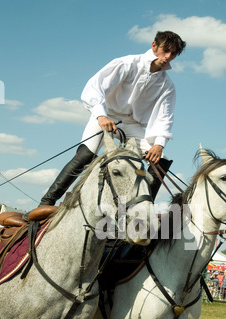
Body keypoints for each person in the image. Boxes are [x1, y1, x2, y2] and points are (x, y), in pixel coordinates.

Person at [39, 31, 186, 207]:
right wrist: (101, 115)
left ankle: (140, 208)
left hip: (131, 124)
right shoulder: (127, 63)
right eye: (165, 50)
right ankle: (46, 203)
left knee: (160, 161)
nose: (168, 57)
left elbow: (165, 116)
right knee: (86, 155)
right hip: (106, 116)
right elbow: (95, 87)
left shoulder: (167, 85)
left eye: (174, 53)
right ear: (154, 45)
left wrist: (159, 143)